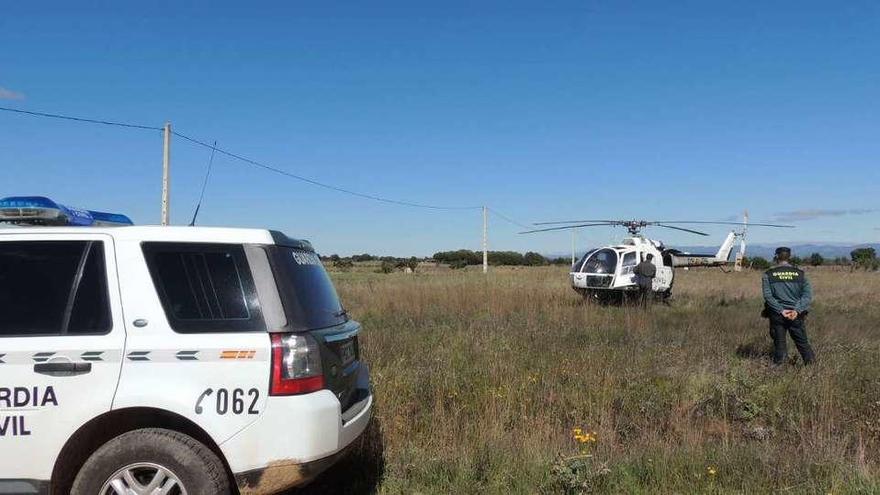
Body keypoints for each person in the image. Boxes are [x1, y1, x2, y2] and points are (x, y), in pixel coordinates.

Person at [762, 247, 815, 365]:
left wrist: (781, 310)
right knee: (803, 344)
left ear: (776, 257)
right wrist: (797, 310)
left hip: (777, 315)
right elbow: (807, 295)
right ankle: (813, 368)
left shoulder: (768, 275)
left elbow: (768, 296)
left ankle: (780, 370)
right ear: (789, 257)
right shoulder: (801, 274)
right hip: (796, 315)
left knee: (779, 345)